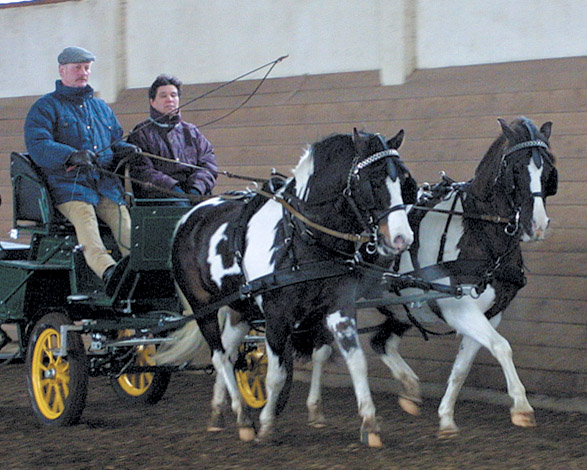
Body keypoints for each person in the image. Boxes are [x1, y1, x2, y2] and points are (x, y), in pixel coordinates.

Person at [24, 46, 140, 294]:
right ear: (62, 70)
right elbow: (38, 145)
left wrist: (125, 150)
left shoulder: (101, 108)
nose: (83, 73)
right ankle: (108, 271)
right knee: (85, 220)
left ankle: (140, 270)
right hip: (69, 187)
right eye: (77, 68)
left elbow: (115, 139)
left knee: (124, 221)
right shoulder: (45, 107)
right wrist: (71, 155)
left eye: (86, 68)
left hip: (104, 185)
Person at [127, 74, 217, 200]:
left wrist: (196, 189)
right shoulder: (140, 133)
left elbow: (208, 163)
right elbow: (142, 171)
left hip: (196, 196)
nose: (170, 99)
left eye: (173, 95)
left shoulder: (192, 132)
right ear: (152, 102)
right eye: (163, 96)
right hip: (160, 199)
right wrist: (173, 189)